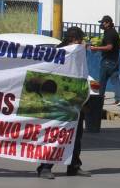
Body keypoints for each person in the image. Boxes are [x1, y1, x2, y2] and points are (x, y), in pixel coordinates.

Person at [37, 26, 92, 179]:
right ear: (73, 40)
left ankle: (74, 166)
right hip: (59, 100)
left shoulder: (79, 53)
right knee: (56, 135)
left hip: (75, 100)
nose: (82, 42)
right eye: (80, 39)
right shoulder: (59, 53)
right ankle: (45, 167)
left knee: (76, 135)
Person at [90, 15, 120, 105]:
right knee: (116, 80)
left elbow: (109, 47)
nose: (101, 24)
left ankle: (99, 100)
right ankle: (119, 99)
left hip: (107, 61)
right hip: (115, 60)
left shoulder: (109, 33)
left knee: (102, 81)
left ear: (108, 23)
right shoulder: (113, 32)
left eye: (103, 22)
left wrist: (96, 48)